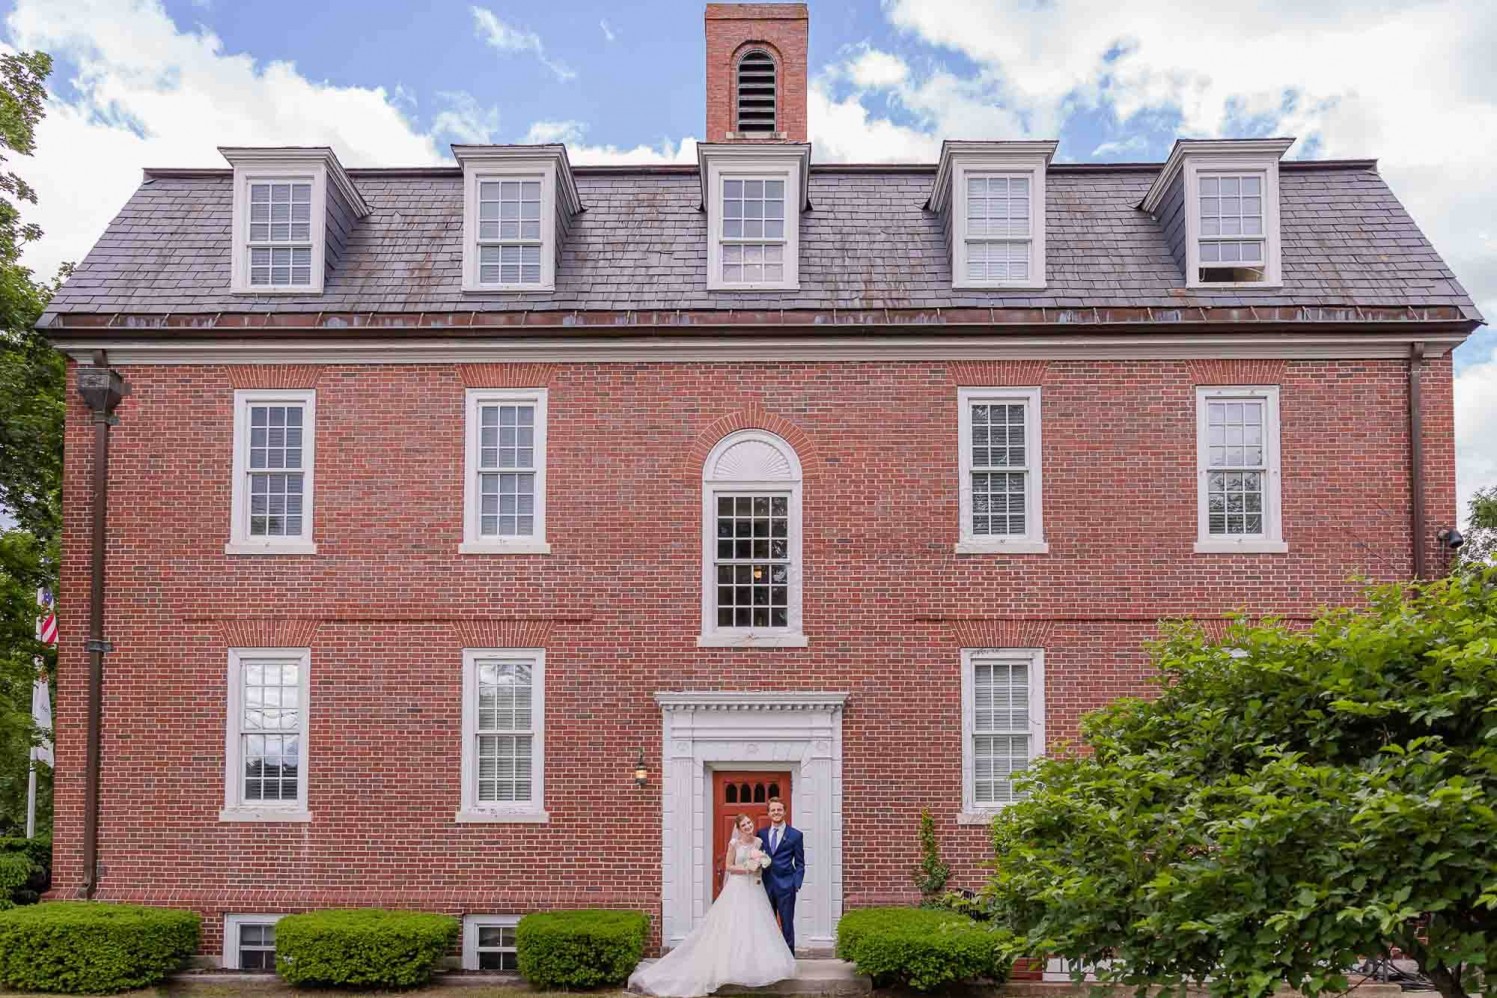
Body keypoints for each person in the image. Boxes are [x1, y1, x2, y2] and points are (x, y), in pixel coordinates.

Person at [628, 813, 797, 997]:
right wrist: (746, 867)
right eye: (744, 825)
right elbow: (729, 867)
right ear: (739, 828)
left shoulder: (758, 843)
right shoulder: (734, 844)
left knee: (754, 926)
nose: (748, 826)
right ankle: (727, 967)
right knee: (732, 926)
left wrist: (758, 867)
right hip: (738, 888)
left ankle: (752, 967)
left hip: (755, 889)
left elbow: (760, 867)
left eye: (749, 822)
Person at [756, 798, 805, 952]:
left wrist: (795, 884)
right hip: (766, 885)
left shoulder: (795, 835)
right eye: (773, 810)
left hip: (786, 886)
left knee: (787, 924)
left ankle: (789, 959)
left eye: (779, 810)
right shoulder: (761, 834)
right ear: (768, 813)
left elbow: (800, 863)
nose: (776, 813)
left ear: (784, 812)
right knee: (767, 924)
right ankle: (769, 958)